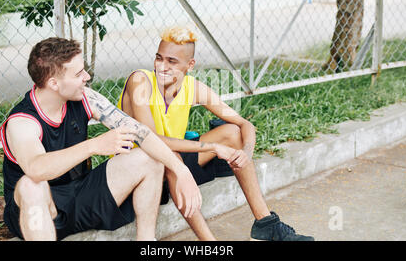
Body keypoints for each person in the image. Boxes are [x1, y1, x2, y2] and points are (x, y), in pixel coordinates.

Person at [117, 26, 314, 241]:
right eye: (159, 58)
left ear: (189, 65)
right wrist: (211, 147)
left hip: (172, 165)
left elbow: (243, 124)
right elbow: (153, 140)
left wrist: (246, 153)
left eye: (172, 62)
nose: (162, 67)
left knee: (232, 133)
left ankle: (265, 224)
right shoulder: (140, 81)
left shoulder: (192, 87)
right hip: (138, 171)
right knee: (171, 157)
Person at [0, 37, 201, 241]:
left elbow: (141, 132)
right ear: (54, 83)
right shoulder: (22, 122)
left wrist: (180, 169)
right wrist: (94, 146)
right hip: (41, 210)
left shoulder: (85, 97)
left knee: (150, 157)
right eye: (78, 73)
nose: (86, 76)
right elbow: (36, 169)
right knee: (30, 186)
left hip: (80, 196)